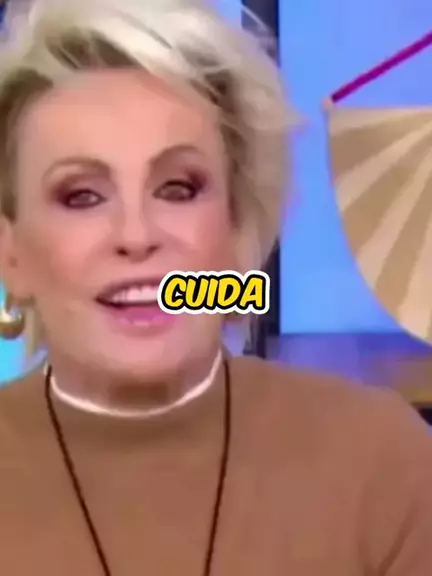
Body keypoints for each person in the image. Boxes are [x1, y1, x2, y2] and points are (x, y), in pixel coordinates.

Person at [0, 1, 431, 575]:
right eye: (82, 196)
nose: (137, 235)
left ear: (236, 229)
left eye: (178, 189)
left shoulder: (382, 464)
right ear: (11, 253)